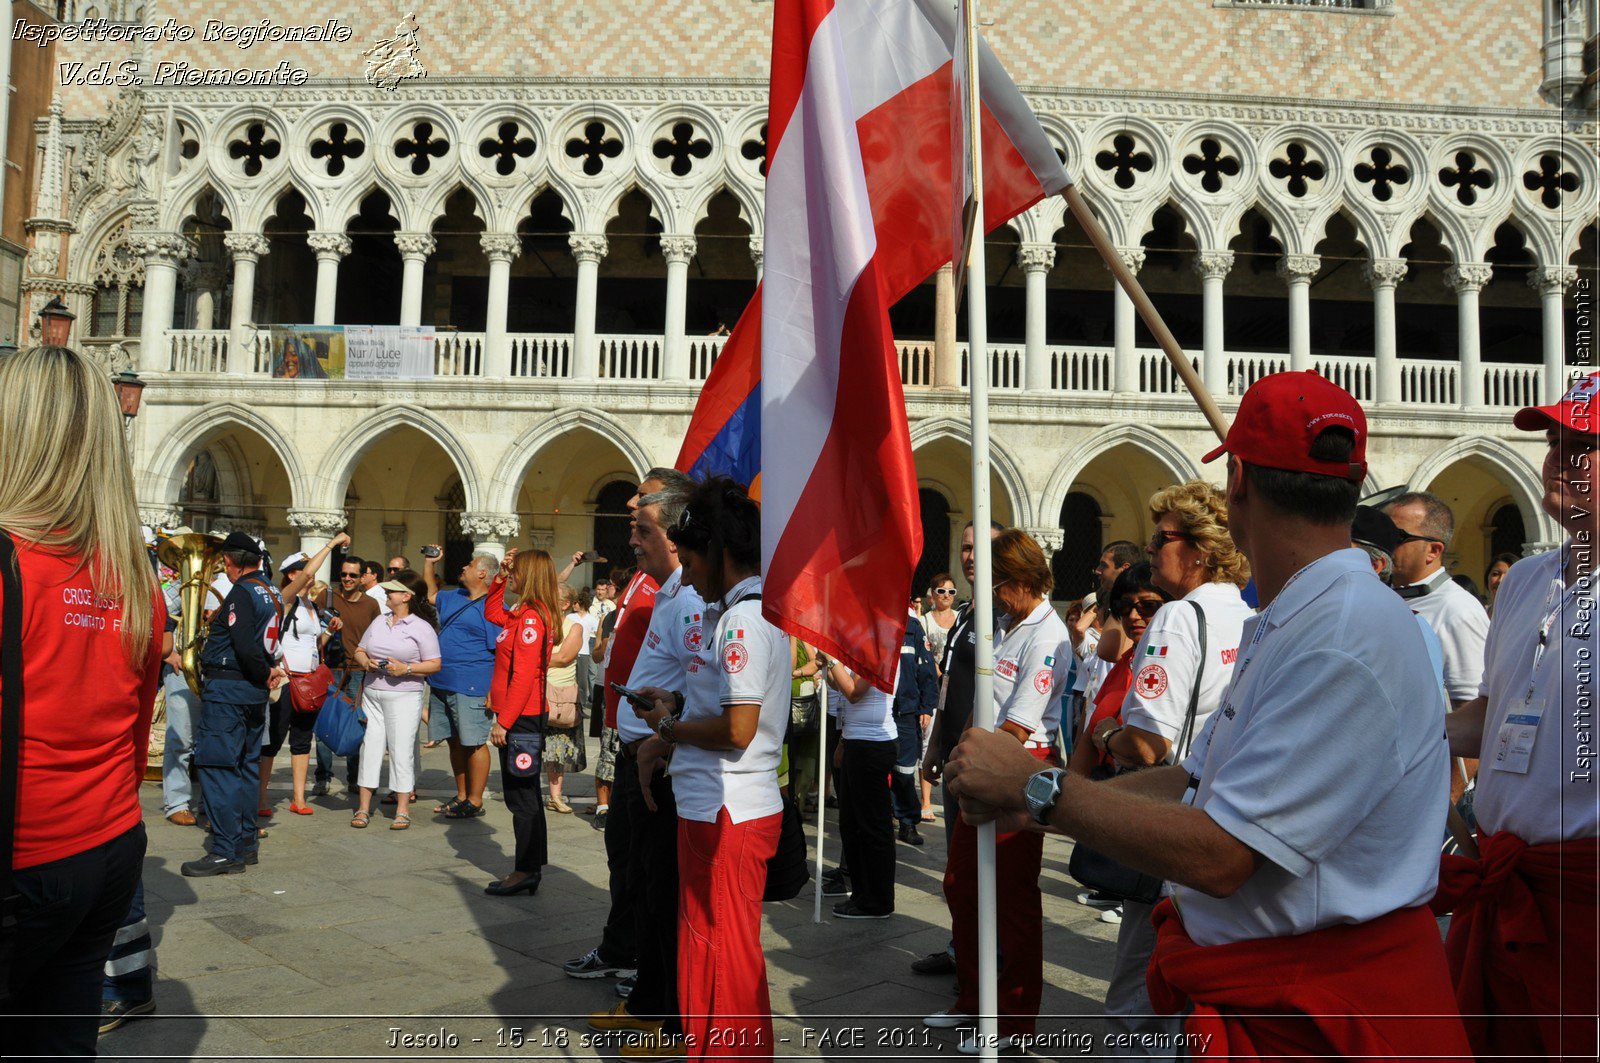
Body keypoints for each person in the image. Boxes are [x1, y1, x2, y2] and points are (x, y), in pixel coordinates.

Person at [946, 371, 1471, 1058]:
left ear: (1240, 483)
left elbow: (1225, 854)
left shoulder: (1343, 632)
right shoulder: (1296, 616)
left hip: (1321, 1014)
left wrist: (1041, 790)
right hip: (1284, 993)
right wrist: (1037, 799)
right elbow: (1196, 777)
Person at [0, 345, 165, 1057]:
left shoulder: (11, 561)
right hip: (108, 848)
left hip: (23, 854)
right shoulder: (134, 576)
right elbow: (133, 736)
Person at [1436, 374, 1600, 1061]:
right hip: (1503, 880)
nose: (1559, 457)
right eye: (1554, 441)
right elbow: (1494, 712)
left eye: (1583, 445)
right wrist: (1406, 725)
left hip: (1586, 899)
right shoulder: (1527, 579)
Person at [1084, 481, 1253, 1057]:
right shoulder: (1255, 615)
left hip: (1174, 826)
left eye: (1162, 538)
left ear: (1201, 551)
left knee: (1138, 1002)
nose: (1150, 550)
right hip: (1231, 827)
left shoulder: (1178, 619)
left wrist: (1103, 732)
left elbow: (1149, 745)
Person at [630, 477, 788, 1061]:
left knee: (719, 949)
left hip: (727, 808)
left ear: (718, 553)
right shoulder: (743, 612)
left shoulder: (744, 621)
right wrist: (671, 726)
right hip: (717, 801)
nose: (687, 572)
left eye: (692, 559)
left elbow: (738, 729)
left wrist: (670, 730)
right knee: (713, 944)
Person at [927, 529, 1073, 1054]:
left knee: (1011, 896)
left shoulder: (1048, 634)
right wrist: (955, 749)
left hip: (1017, 765)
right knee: (961, 884)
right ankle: (973, 999)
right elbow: (983, 699)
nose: (991, 592)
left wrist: (980, 768)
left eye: (999, 583)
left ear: (1022, 580)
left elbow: (1019, 722)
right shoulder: (1005, 623)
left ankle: (1013, 1019)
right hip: (982, 753)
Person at [582, 471, 699, 1056]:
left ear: (675, 535)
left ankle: (670, 1017)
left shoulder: (690, 597)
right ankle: (651, 1001)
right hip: (638, 755)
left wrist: (667, 734)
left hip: (663, 765)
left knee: (661, 891)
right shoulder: (669, 592)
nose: (633, 539)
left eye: (643, 529)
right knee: (641, 881)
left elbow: (708, 694)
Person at [909, 519, 1000, 978]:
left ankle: (984, 961)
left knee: (981, 871)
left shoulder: (1002, 615)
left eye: (979, 547)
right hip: (951, 753)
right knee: (957, 871)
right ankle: (960, 946)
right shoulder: (966, 612)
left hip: (982, 760)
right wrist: (933, 746)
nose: (969, 555)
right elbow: (947, 685)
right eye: (965, 547)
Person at [1066, 562, 1171, 922]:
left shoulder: (1159, 663)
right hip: (1118, 803)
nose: (1133, 616)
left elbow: (1143, 747)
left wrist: (1109, 738)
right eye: (1123, 608)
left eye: (1148, 606)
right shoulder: (1129, 660)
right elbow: (1094, 726)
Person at [182, 531, 287, 877]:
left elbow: (243, 645)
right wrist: (267, 672)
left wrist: (261, 671)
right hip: (251, 693)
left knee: (218, 767)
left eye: (224, 562)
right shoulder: (271, 589)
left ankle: (225, 849)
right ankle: (245, 844)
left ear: (231, 561)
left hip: (230, 691)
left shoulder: (241, 591)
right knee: (245, 768)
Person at [481, 548, 562, 895]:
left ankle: (525, 870)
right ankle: (530, 867)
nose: (511, 575)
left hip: (522, 717)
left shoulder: (531, 619)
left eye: (514, 572)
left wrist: (504, 721)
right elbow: (491, 612)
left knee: (521, 798)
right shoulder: (522, 612)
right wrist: (498, 577)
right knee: (524, 793)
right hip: (519, 715)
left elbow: (524, 676)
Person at [349, 570, 441, 831]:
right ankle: (363, 807)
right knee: (370, 747)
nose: (387, 594)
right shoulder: (380, 620)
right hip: (373, 693)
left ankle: (402, 809)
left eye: (392, 591)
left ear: (406, 596)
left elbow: (435, 664)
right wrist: (366, 662)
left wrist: (407, 669)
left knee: (401, 750)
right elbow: (360, 649)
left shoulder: (421, 627)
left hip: (404, 695)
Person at [1383, 492, 1490, 711]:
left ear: (1433, 550)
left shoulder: (1458, 610)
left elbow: (1471, 707)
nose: (1385, 544)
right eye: (1382, 533)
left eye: (1397, 536)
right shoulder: (1384, 595)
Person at [421, 549, 502, 819]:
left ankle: (476, 800)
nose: (463, 567)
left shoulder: (493, 607)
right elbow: (431, 594)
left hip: (472, 684)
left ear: (482, 573)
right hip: (443, 681)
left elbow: (500, 652)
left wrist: (493, 690)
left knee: (475, 742)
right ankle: (462, 795)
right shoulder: (453, 596)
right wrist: (429, 564)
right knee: (454, 741)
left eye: (469, 564)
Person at [273, 545, 343, 816]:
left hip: (309, 681)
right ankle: (261, 799)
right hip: (287, 680)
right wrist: (333, 543)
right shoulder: (285, 600)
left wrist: (329, 631)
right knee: (274, 739)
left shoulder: (312, 606)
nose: (310, 576)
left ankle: (299, 798)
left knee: (302, 740)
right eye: (304, 571)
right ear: (292, 575)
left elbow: (314, 645)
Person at [320, 554, 380, 794]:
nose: (346, 578)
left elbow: (376, 636)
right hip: (329, 669)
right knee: (325, 722)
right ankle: (322, 776)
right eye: (343, 574)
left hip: (357, 671)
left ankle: (355, 777)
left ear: (362, 577)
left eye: (353, 575)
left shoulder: (370, 605)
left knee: (357, 724)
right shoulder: (326, 597)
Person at [889, 605, 939, 846]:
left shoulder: (913, 627)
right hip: (880, 710)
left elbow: (926, 669)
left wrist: (926, 707)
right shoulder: (871, 622)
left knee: (905, 770)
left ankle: (907, 822)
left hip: (906, 711)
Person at [543, 582, 589, 813]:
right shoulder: (539, 620)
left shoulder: (574, 627)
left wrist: (532, 656)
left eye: (556, 598)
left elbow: (563, 657)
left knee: (557, 746)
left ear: (567, 604)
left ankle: (555, 796)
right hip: (535, 689)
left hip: (560, 694)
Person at [1482, 551, 1518, 616]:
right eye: (1495, 574)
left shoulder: (1526, 617)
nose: (1500, 580)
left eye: (1508, 576)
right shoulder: (1479, 615)